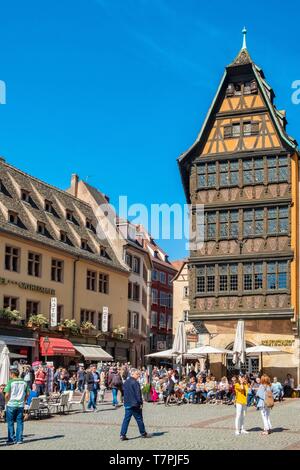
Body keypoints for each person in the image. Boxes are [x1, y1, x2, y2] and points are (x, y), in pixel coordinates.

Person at [120, 368, 151, 441]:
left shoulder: (126, 382)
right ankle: (143, 433)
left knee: (126, 419)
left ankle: (122, 434)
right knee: (139, 419)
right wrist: (140, 403)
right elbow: (138, 394)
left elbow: (124, 391)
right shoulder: (135, 382)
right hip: (134, 404)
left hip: (127, 403)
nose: (139, 376)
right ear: (132, 374)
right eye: (137, 374)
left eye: (139, 374)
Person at [4, 369, 30, 445]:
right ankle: (19, 439)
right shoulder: (24, 382)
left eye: (10, 374)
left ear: (12, 374)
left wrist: (6, 401)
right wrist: (24, 400)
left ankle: (11, 439)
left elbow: (6, 394)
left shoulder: (10, 382)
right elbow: (28, 393)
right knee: (20, 422)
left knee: (10, 422)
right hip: (20, 404)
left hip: (11, 404)